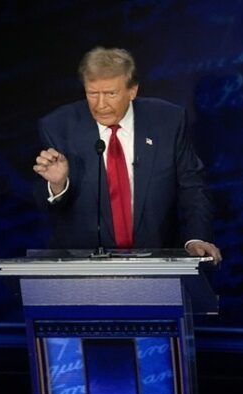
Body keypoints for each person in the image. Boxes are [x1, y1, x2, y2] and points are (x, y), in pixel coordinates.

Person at [31, 46, 222, 264]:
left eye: (110, 94)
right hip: (83, 265)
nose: (100, 105)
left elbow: (192, 186)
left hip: (157, 261)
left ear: (132, 90)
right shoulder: (57, 126)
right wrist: (58, 185)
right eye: (92, 94)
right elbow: (41, 203)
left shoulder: (168, 121)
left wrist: (196, 238)